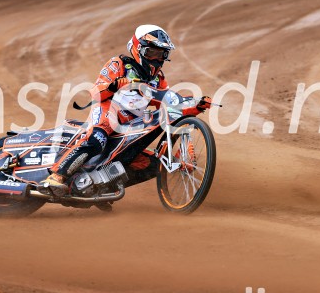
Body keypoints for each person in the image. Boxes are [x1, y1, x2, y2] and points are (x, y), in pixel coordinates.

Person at [43, 25, 212, 194]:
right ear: (138, 49)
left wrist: (194, 106)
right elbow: (95, 93)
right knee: (97, 139)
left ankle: (103, 187)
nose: (156, 58)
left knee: (152, 164)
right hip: (109, 112)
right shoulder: (120, 64)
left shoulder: (158, 79)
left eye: (161, 54)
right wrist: (113, 85)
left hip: (131, 125)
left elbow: (168, 107)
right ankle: (57, 176)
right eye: (151, 53)